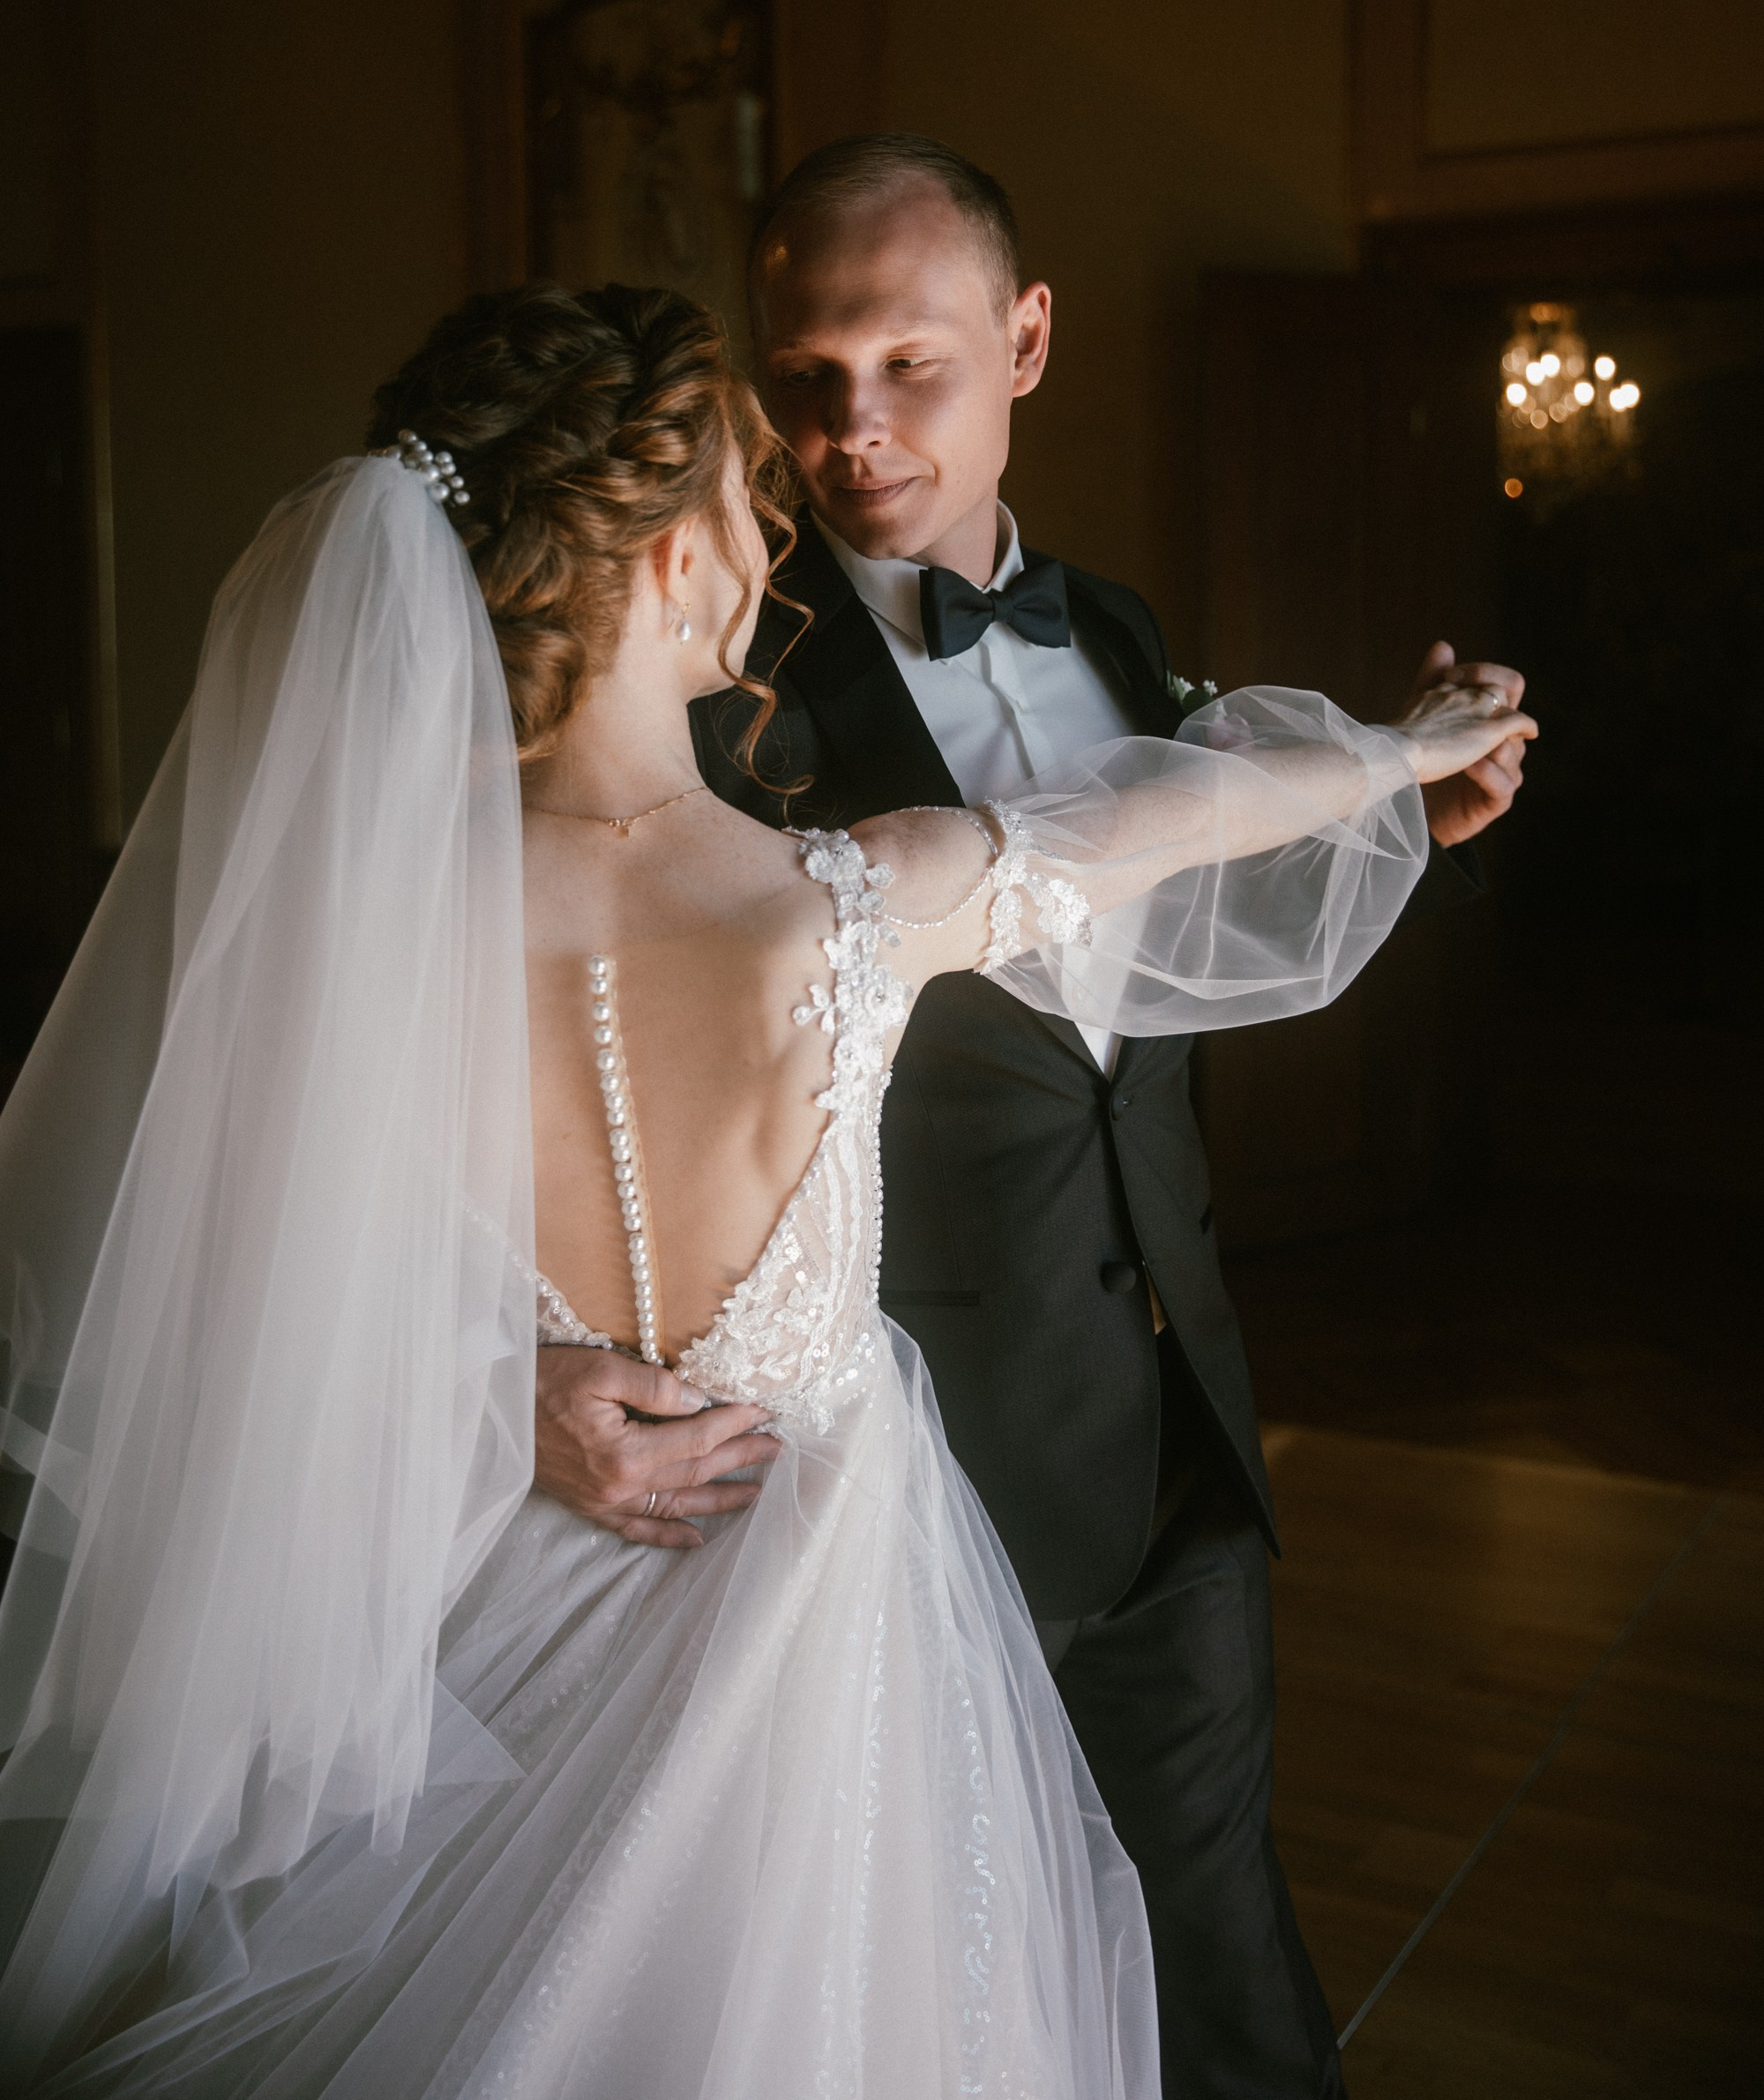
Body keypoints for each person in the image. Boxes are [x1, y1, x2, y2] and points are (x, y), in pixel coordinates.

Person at [0, 280, 1531, 2096]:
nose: (772, 542)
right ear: (655, 562)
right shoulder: (856, 902)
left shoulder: (342, 941)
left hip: (475, 1635)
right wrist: (1397, 755)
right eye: (742, 496)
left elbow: (181, 1305)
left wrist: (502, 1396)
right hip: (816, 1636)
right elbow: (1165, 816)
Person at [657, 132, 1519, 2099]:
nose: (849, 426)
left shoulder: (1121, 634)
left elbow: (1177, 937)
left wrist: (1416, 811)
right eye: (805, 372)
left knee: (1217, 1937)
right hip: (893, 1464)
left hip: (1174, 1430)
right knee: (937, 1978)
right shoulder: (714, 696)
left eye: (907, 361)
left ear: (1026, 338)